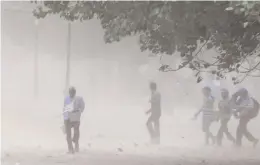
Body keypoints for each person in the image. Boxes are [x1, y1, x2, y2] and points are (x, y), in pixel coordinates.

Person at [63, 86, 85, 154]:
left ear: (74, 92)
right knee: (68, 135)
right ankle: (70, 149)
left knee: (76, 132)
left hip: (76, 118)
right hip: (68, 118)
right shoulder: (66, 99)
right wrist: (65, 118)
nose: (71, 93)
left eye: (72, 92)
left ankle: (76, 147)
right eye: (70, 92)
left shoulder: (79, 99)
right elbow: (64, 108)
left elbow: (83, 106)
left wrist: (79, 111)